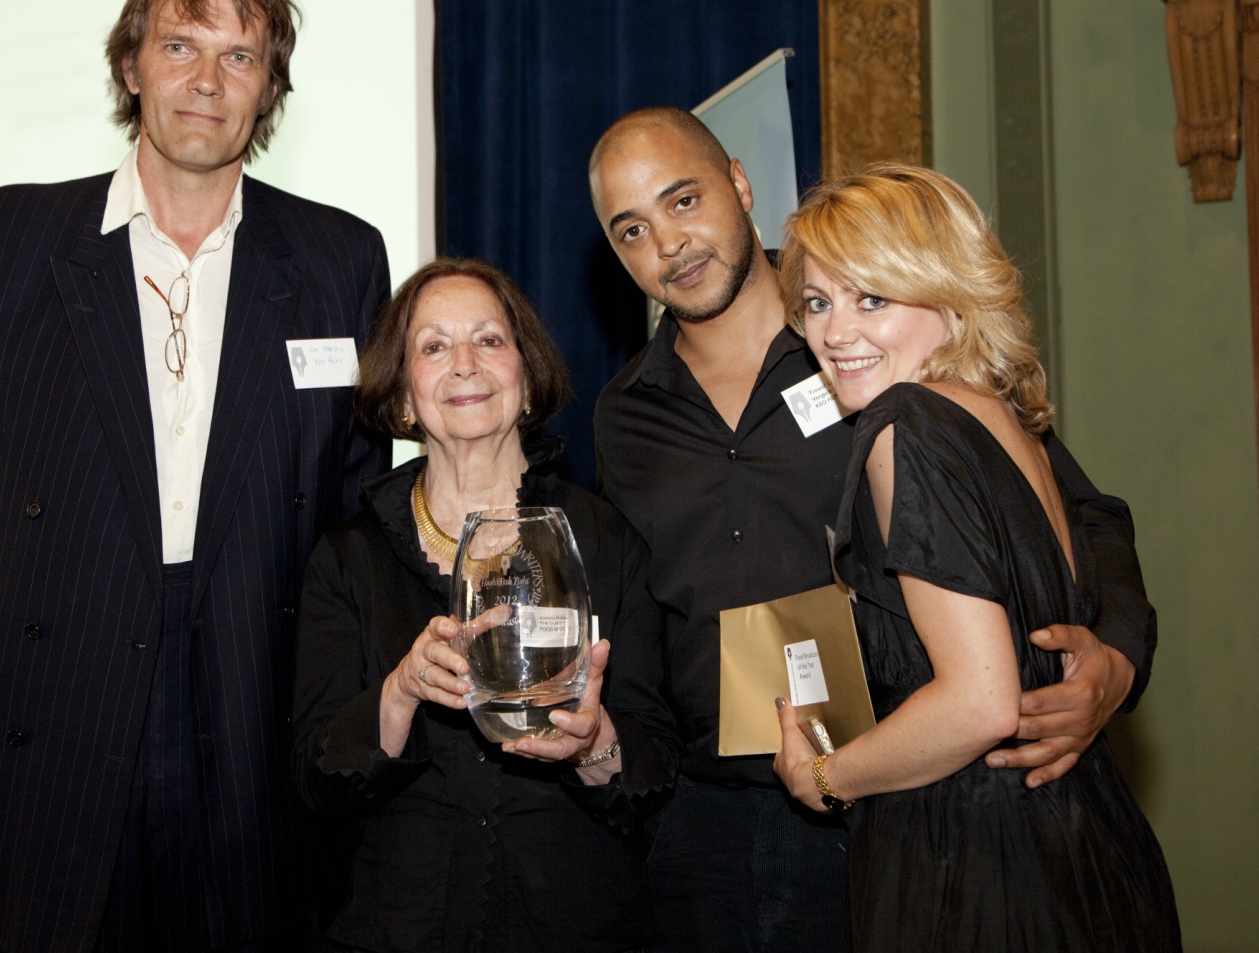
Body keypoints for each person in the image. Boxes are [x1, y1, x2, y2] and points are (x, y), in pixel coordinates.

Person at [0, 0, 390, 953]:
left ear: (270, 90)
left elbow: (351, 499)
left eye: (240, 56)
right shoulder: (6, 242)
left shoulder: (341, 258)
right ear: (132, 65)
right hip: (59, 693)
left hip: (256, 700)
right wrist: (54, 611)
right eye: (180, 45)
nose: (207, 82)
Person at [588, 107, 1158, 952]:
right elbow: (634, 613)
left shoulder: (876, 346)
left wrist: (1112, 660)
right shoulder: (623, 416)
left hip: (890, 788)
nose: (668, 243)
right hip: (703, 815)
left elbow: (1076, 514)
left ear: (740, 184)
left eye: (683, 200)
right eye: (631, 229)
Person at [770, 163, 1181, 950]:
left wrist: (821, 778)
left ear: (950, 297)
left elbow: (979, 703)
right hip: (1086, 842)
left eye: (873, 298)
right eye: (818, 302)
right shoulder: (1004, 418)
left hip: (972, 866)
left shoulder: (905, 423)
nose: (833, 331)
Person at [291, 259, 678, 953]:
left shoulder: (603, 538)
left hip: (576, 920)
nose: (464, 364)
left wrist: (594, 741)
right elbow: (318, 781)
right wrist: (400, 692)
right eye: (434, 346)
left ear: (526, 382)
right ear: (404, 398)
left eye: (490, 341)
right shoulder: (348, 556)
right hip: (396, 923)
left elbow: (651, 769)